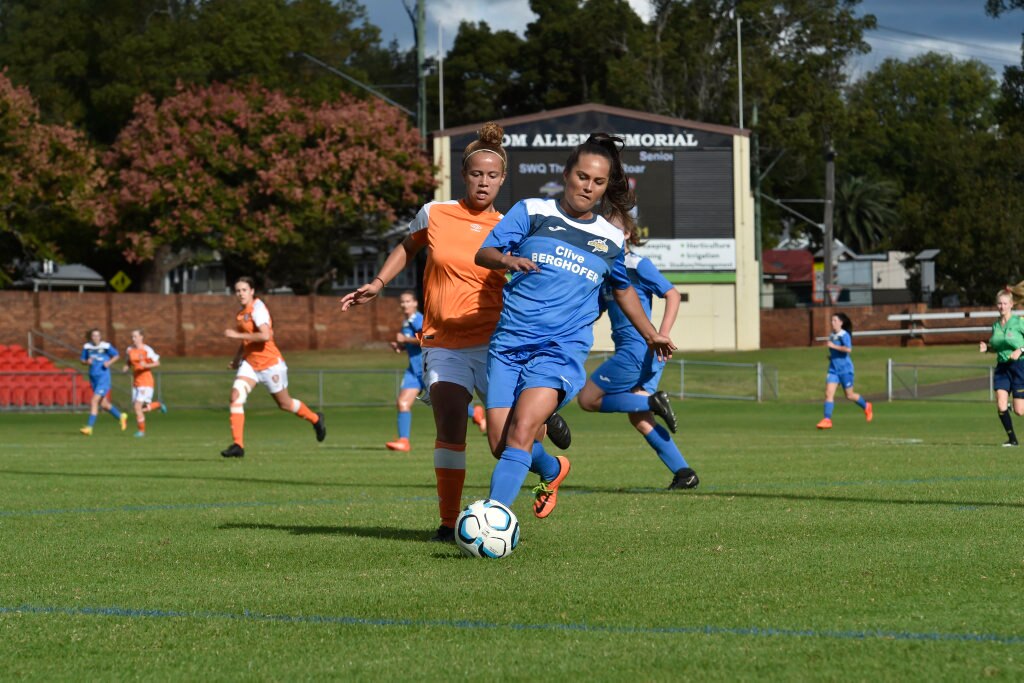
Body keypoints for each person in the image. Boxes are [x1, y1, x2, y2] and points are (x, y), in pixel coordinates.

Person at [341, 123, 566, 542]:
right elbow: (408, 246)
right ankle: (448, 524)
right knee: (449, 425)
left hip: (498, 344)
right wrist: (378, 283)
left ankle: (551, 468)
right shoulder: (435, 213)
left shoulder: (512, 225)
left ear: (502, 180)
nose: (484, 182)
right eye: (477, 174)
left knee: (502, 444)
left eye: (492, 176)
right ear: (464, 175)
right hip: (443, 340)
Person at [475, 133, 676, 520]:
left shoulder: (610, 238)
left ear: (605, 188)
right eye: (582, 176)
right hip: (509, 345)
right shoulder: (531, 211)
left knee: (522, 431)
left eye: (598, 182)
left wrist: (651, 334)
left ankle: (493, 518)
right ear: (566, 174)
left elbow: (623, 290)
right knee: (501, 444)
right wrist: (507, 261)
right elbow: (484, 253)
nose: (588, 187)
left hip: (560, 352)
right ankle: (552, 469)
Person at [575, 208, 698, 490]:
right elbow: (594, 312)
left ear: (629, 233)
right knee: (640, 420)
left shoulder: (636, 265)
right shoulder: (607, 271)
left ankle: (652, 402)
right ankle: (684, 473)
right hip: (643, 354)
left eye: (616, 229)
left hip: (638, 351)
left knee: (588, 399)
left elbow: (673, 293)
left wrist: (662, 334)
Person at [221, 276, 325, 458]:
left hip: (270, 365)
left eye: (244, 290)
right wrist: (237, 359)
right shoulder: (241, 313)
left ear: (252, 291)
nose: (240, 294)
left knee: (285, 404)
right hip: (250, 364)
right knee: (235, 396)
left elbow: (265, 336)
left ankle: (315, 419)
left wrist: (235, 336)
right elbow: (247, 339)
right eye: (237, 290)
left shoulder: (258, 309)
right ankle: (238, 445)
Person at [384, 290, 487, 451]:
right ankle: (404, 441)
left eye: (408, 301)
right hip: (413, 371)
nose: (404, 305)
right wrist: (400, 345)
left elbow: (428, 338)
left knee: (445, 403)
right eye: (402, 302)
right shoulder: (407, 322)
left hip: (427, 369)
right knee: (402, 403)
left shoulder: (419, 320)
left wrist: (405, 339)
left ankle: (474, 413)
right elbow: (413, 343)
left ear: (415, 303)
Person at [978, 283, 1024, 446]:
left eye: (1005, 303)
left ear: (1011, 304)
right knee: (1000, 404)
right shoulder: (996, 325)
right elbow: (997, 346)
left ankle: (1017, 405)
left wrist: (1021, 349)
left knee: (1020, 411)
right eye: (999, 303)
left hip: (1019, 367)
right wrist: (988, 348)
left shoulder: (1019, 322)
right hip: (1002, 368)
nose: (1002, 306)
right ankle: (1012, 440)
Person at [816, 312, 872, 429]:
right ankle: (827, 419)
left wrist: (833, 346)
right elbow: (835, 352)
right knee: (828, 393)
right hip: (833, 370)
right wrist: (832, 357)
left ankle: (866, 405)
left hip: (845, 370)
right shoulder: (832, 335)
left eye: (835, 320)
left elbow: (848, 349)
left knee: (849, 395)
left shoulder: (844, 335)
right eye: (831, 320)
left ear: (841, 322)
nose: (832, 323)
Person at [79, 328, 128, 435]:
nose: (96, 337)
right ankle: (121, 416)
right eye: (93, 336)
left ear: (100, 337)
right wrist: (87, 362)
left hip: (103, 378)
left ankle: (89, 427)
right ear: (90, 337)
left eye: (98, 335)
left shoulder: (105, 346)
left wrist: (109, 362)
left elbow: (116, 355)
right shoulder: (87, 347)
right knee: (104, 404)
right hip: (93, 378)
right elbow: (82, 360)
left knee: (94, 401)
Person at [122, 328, 167, 437]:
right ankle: (158, 404)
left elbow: (157, 363)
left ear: (141, 337)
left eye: (135, 336)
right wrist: (126, 366)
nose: (133, 339)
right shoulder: (129, 349)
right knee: (139, 408)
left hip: (146, 381)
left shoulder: (147, 350)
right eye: (132, 337)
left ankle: (141, 431)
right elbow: (128, 361)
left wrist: (146, 365)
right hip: (136, 382)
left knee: (138, 407)